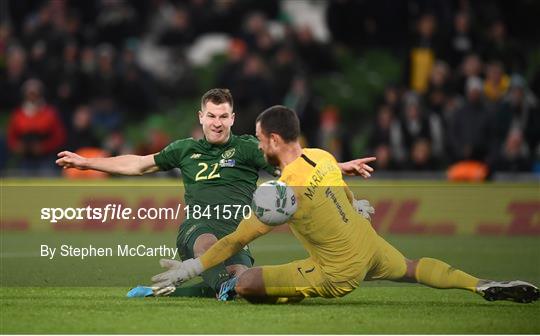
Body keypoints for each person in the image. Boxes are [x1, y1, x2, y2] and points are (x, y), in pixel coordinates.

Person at [150, 105, 539, 304]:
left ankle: (291, 295)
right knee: (413, 267)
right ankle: (478, 284)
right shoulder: (320, 156)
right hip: (367, 243)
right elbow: (345, 192)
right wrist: (356, 205)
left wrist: (194, 267)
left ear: (270, 139)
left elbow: (237, 239)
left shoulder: (284, 191)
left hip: (339, 271)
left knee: (248, 282)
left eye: (258, 137)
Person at [56, 89, 376, 298]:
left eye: (223, 116)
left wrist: (341, 165)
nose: (217, 123)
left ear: (233, 119)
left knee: (242, 280)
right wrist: (87, 162)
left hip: (237, 233)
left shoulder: (251, 148)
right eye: (211, 116)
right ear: (201, 117)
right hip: (198, 228)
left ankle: (171, 292)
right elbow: (139, 163)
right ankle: (214, 281)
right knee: (206, 244)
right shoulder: (185, 149)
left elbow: (298, 160)